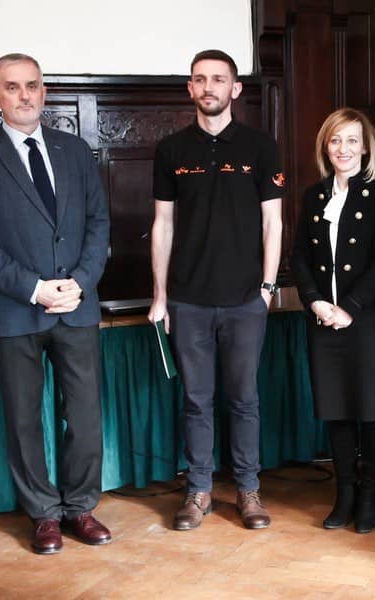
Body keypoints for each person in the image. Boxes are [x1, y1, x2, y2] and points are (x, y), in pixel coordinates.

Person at [0, 53, 112, 555]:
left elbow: (98, 224)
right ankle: (44, 514)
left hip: (77, 306)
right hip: (15, 310)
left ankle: (80, 507)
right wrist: (34, 288)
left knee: (84, 415)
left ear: (44, 92)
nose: (24, 95)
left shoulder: (76, 150)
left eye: (32, 85)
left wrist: (80, 283)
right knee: (24, 420)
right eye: (12, 87)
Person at [148, 49, 283, 531]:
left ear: (235, 89)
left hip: (246, 299)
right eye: (201, 79)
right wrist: (160, 296)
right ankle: (199, 490)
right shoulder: (171, 149)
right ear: (190, 88)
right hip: (187, 300)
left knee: (244, 399)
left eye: (219, 79)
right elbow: (163, 225)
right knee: (196, 399)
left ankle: (248, 489)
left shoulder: (260, 146)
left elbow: (273, 222)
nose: (209, 87)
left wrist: (267, 288)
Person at [291, 108, 375, 534]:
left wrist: (348, 307)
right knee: (335, 408)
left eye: (352, 140)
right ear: (326, 146)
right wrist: (315, 302)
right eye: (336, 140)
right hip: (322, 319)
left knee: (369, 409)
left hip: (365, 319)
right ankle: (345, 494)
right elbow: (299, 256)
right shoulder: (313, 196)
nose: (344, 149)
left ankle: (370, 493)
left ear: (366, 147)